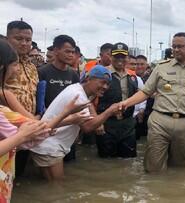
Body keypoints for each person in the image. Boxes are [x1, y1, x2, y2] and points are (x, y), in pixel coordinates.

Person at [0, 39, 89, 202]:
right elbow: (31, 135)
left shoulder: (72, 74)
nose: (17, 70)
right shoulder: (41, 73)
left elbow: (32, 133)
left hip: (35, 129)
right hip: (36, 130)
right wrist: (66, 115)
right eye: (14, 65)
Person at [119, 32, 185, 172]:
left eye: (180, 46)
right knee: (153, 167)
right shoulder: (161, 68)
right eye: (174, 46)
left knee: (179, 167)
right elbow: (145, 92)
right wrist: (126, 103)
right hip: (159, 121)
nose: (176, 50)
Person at [30, 65, 122, 181]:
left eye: (108, 84)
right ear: (88, 79)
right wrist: (109, 112)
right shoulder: (78, 96)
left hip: (46, 143)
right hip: (50, 147)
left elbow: (88, 108)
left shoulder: (77, 88)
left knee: (49, 187)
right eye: (102, 82)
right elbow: (87, 127)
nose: (105, 87)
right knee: (57, 188)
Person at [5, 20, 39, 176]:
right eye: (18, 39)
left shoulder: (32, 67)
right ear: (7, 39)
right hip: (6, 128)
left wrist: (36, 116)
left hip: (29, 126)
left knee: (19, 173)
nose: (24, 43)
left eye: (28, 40)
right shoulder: (3, 63)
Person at [96, 43, 138, 158]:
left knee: (128, 159)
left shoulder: (132, 76)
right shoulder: (101, 73)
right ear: (111, 57)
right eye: (116, 57)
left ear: (127, 58)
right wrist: (97, 122)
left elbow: (141, 94)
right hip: (107, 124)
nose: (120, 60)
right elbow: (89, 99)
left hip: (127, 124)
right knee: (106, 162)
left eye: (123, 57)